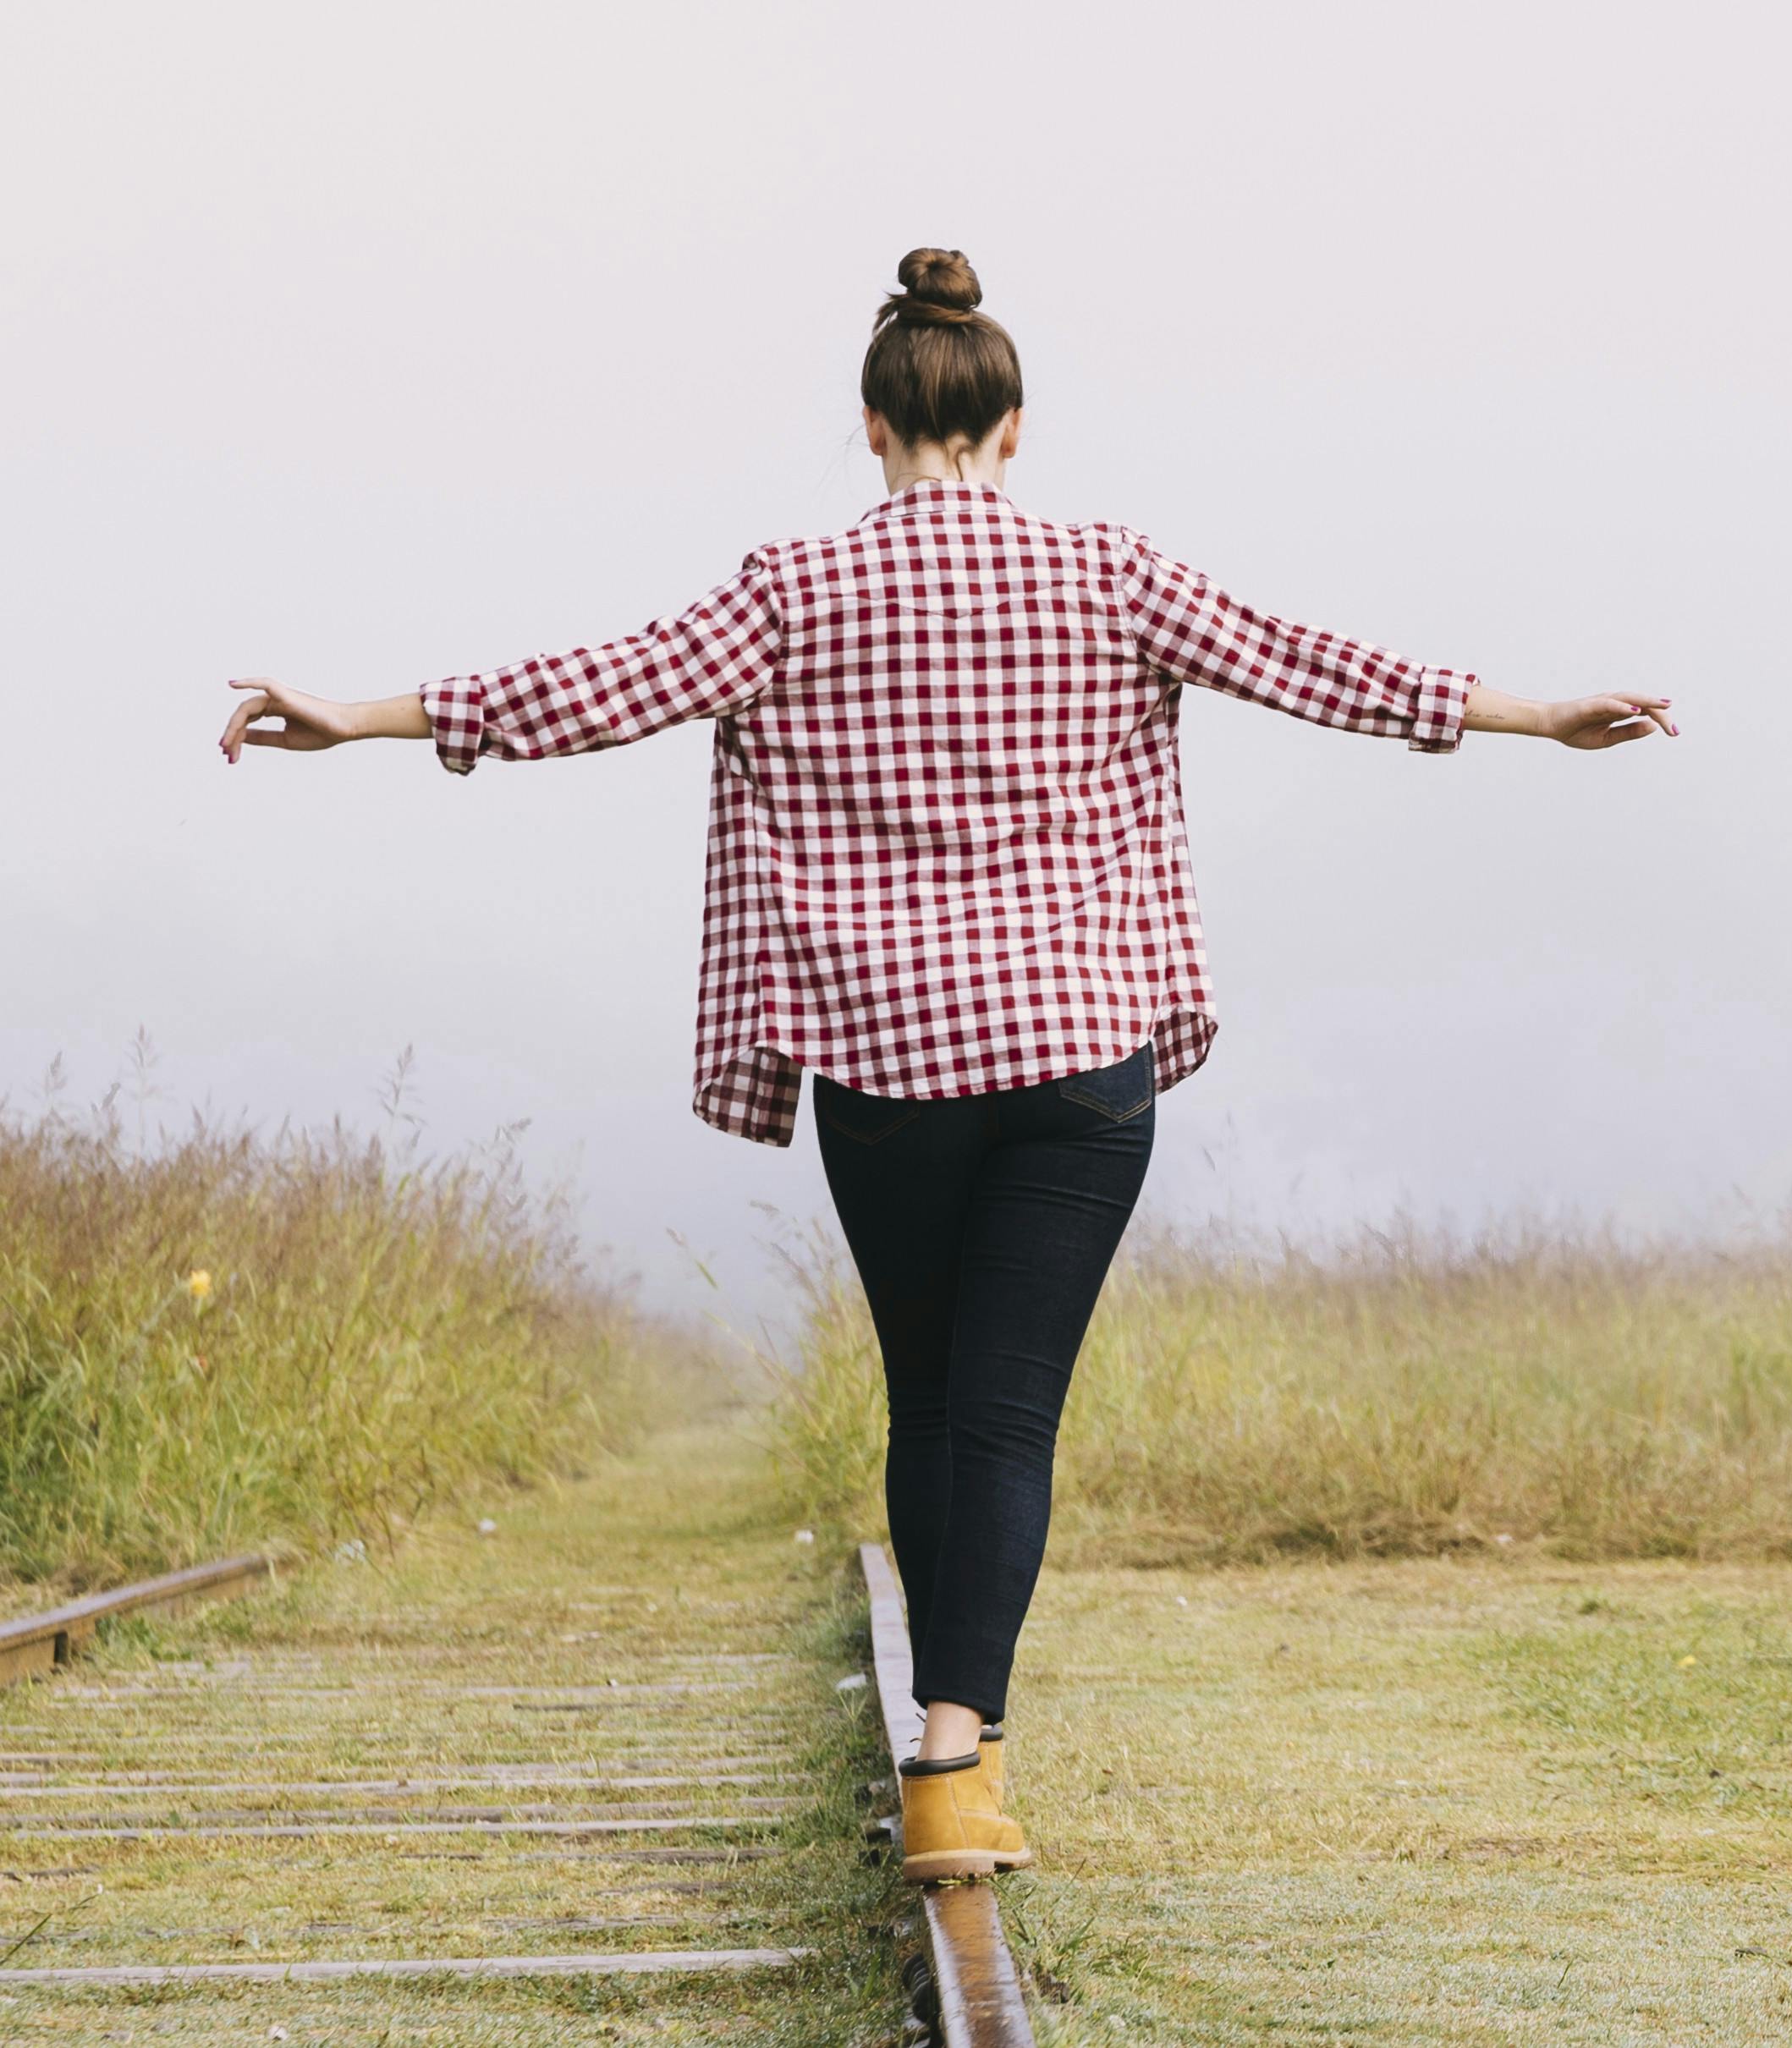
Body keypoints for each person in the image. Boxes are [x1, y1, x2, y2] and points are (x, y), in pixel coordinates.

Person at [213, 246, 1675, 1882]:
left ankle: (950, 1752)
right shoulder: (1108, 570)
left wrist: (358, 714)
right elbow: (1315, 663)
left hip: (884, 1068)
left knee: (931, 1395)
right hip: (1076, 1061)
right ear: (1014, 427)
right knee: (1006, 1419)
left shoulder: (791, 589)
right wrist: (1539, 713)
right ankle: (953, 1760)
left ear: (872, 427)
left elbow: (584, 691)